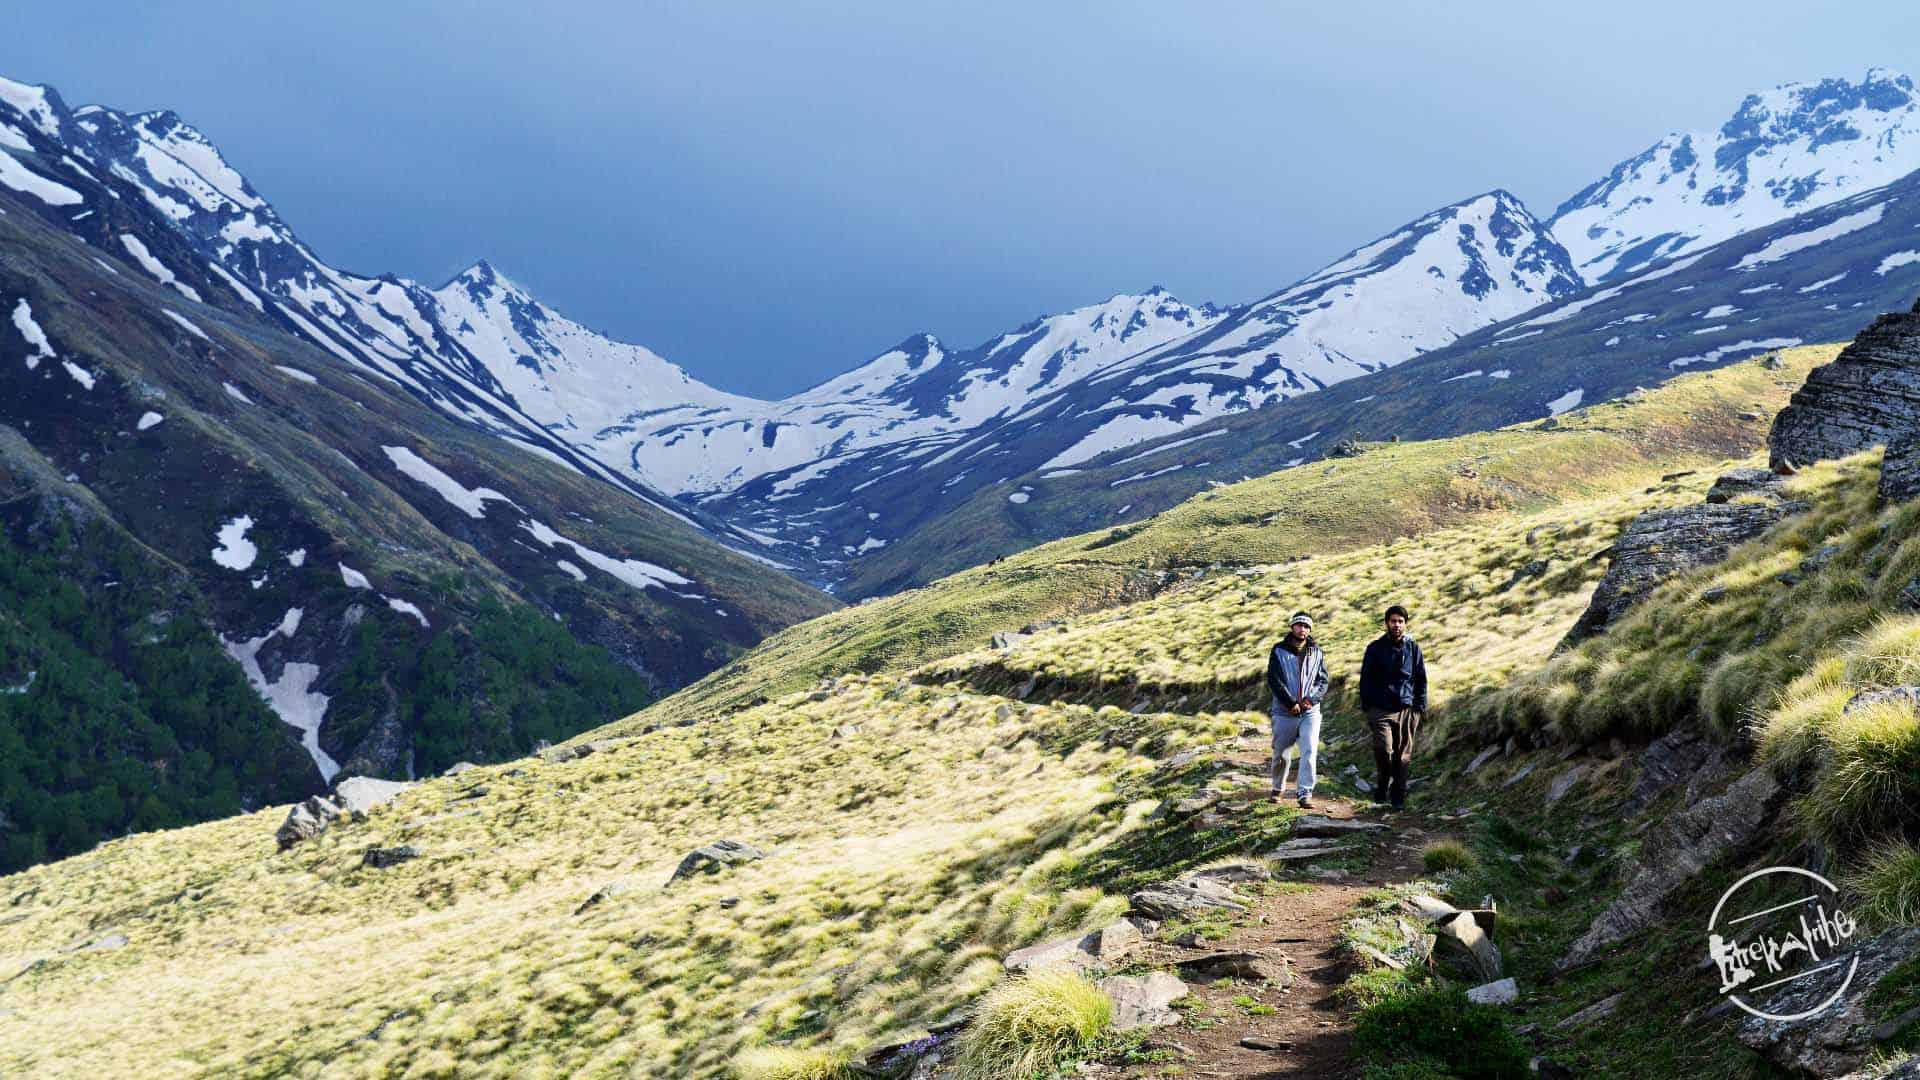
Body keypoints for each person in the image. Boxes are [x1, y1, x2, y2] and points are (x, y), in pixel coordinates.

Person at [1358, 604, 1426, 810]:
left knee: (1402, 754)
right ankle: (1381, 787)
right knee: (1384, 749)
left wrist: (1419, 706)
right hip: (1380, 708)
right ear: (1386, 623)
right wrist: (1368, 705)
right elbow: (1365, 679)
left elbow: (1421, 678)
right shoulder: (1375, 648)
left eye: (1400, 621)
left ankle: (1398, 797)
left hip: (1406, 708)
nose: (1396, 625)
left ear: (1405, 624)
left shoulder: (1413, 648)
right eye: (1393, 621)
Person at [1265, 611, 1328, 808]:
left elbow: (1323, 681)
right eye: (1299, 625)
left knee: (1309, 751)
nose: (1303, 629)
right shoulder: (1278, 650)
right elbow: (1274, 680)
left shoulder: (1316, 651)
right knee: (1281, 754)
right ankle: (1277, 788)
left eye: (1307, 626)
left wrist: (1311, 700)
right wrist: (1290, 702)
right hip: (1284, 712)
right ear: (1292, 627)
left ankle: (1304, 793)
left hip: (1310, 711)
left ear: (1310, 629)